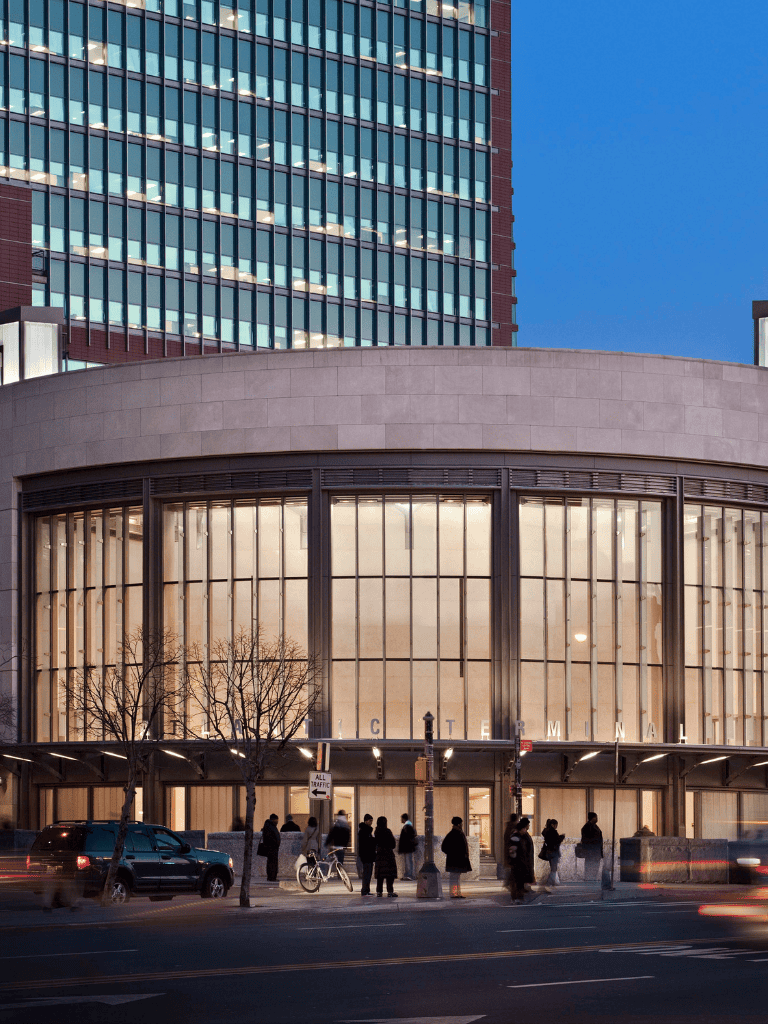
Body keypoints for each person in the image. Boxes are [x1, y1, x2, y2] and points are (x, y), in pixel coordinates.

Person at [441, 816, 472, 898]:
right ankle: (454, 893)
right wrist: (453, 853)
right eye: (461, 823)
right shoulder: (454, 834)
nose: (462, 825)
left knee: (456, 877)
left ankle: (457, 893)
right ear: (458, 824)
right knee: (454, 878)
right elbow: (444, 847)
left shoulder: (455, 833)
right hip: (455, 860)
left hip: (455, 860)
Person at [508, 816, 534, 903]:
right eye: (524, 829)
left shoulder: (520, 837)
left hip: (521, 862)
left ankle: (518, 897)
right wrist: (515, 861)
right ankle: (516, 898)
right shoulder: (515, 837)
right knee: (517, 882)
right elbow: (513, 851)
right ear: (521, 829)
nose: (525, 830)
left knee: (520, 882)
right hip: (517, 863)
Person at [374, 815, 398, 897]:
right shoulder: (388, 832)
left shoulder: (376, 832)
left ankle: (379, 892)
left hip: (379, 855)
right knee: (389, 875)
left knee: (380, 876)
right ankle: (390, 891)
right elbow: (393, 844)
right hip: (388, 855)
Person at [541, 817, 564, 888]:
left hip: (549, 851)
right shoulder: (552, 832)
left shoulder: (546, 831)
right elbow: (556, 841)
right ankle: (550, 882)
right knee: (554, 867)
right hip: (553, 851)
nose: (556, 826)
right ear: (552, 824)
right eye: (556, 825)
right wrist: (561, 837)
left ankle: (554, 881)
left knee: (553, 867)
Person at [581, 811, 603, 881]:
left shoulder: (595, 826)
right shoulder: (587, 827)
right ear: (592, 818)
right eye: (596, 817)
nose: (597, 819)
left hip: (596, 850)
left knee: (595, 865)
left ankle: (592, 878)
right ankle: (589, 878)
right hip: (591, 851)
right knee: (590, 864)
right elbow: (585, 839)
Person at [358, 814, 376, 896]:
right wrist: (373, 840)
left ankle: (367, 890)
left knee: (369, 874)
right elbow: (365, 843)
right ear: (366, 821)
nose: (371, 822)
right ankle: (365, 890)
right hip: (366, 855)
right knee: (367, 874)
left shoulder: (367, 830)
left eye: (372, 820)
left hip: (369, 855)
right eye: (370, 820)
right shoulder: (364, 831)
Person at [260, 813, 281, 882]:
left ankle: (272, 877)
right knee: (272, 863)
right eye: (276, 820)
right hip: (271, 848)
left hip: (273, 847)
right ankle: (272, 877)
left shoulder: (271, 825)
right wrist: (274, 843)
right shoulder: (270, 826)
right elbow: (269, 837)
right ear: (273, 820)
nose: (277, 821)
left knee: (272, 862)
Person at [398, 812, 418, 880]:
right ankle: (408, 874)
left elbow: (406, 838)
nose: (401, 820)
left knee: (408, 861)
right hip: (409, 847)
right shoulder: (409, 826)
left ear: (403, 819)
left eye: (401, 818)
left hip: (407, 848)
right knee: (408, 861)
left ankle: (409, 875)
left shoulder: (407, 827)